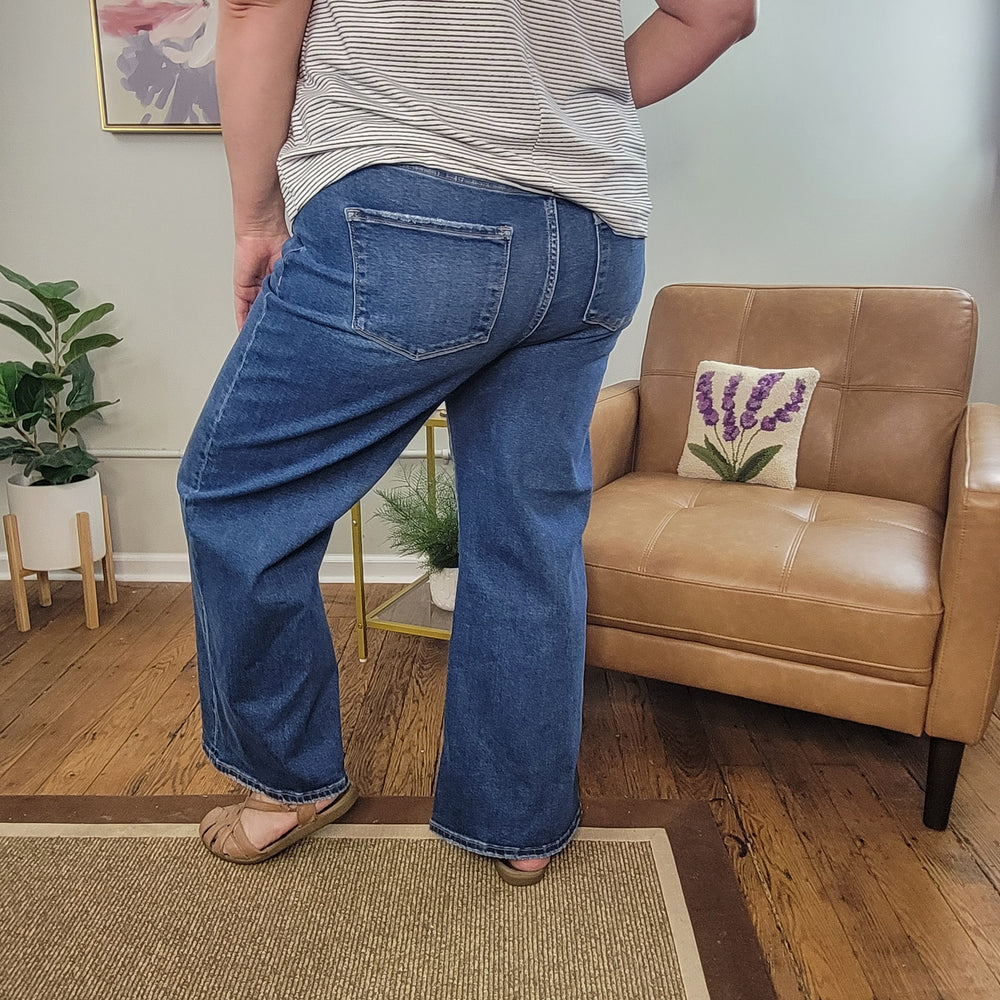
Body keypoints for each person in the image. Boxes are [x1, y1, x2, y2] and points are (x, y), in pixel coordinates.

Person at [178, 0, 756, 884]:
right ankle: (521, 823)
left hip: (413, 211)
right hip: (596, 236)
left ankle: (287, 784)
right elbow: (718, 13)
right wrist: (567, 99)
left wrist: (256, 216)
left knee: (236, 494)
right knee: (528, 530)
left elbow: (259, 7)